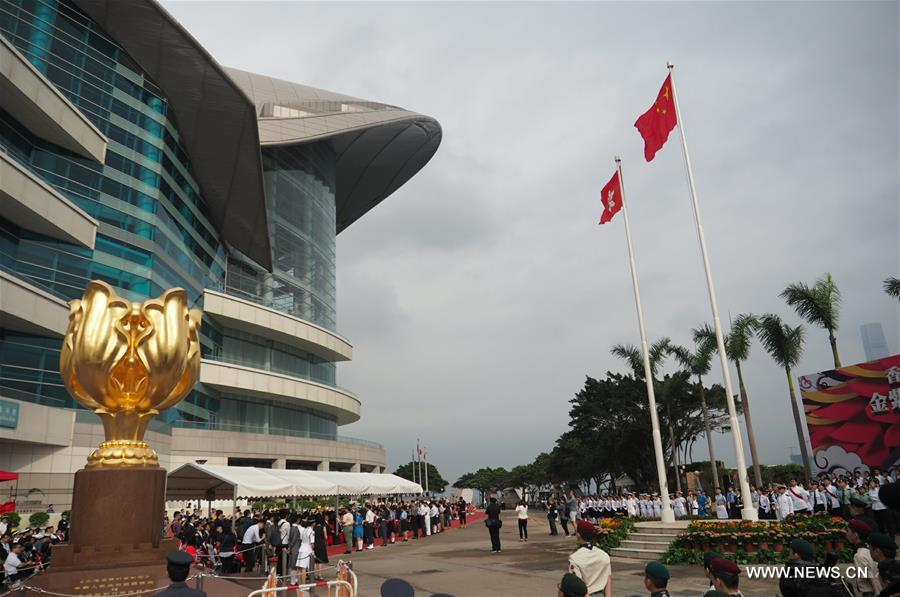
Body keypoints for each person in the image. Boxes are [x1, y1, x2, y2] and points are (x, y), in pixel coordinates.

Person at [568, 520, 612, 597]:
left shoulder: (575, 558)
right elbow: (608, 580)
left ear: (578, 535)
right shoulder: (604, 555)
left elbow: (579, 587)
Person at [847, 518, 882, 596]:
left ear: (856, 535)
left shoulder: (859, 556)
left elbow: (872, 579)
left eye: (848, 531)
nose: (847, 534)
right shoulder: (870, 549)